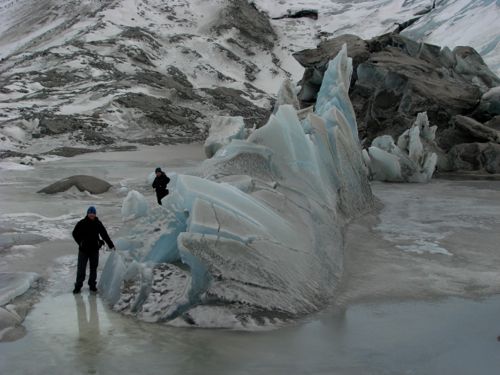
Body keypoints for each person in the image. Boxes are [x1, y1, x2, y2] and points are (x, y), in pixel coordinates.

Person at [72, 206, 115, 294]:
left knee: (93, 269)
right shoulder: (82, 223)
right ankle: (78, 286)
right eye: (90, 213)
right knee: (81, 269)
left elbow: (104, 235)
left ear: (95, 214)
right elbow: (74, 233)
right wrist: (80, 242)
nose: (91, 215)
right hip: (83, 250)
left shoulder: (98, 223)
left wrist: (111, 245)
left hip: (94, 250)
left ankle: (92, 285)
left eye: (93, 213)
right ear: (87, 214)